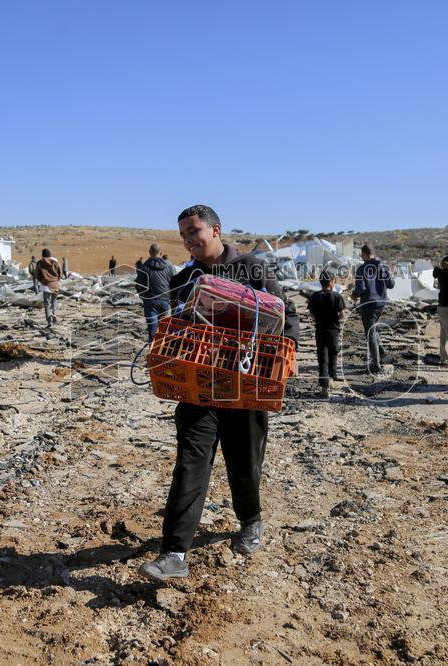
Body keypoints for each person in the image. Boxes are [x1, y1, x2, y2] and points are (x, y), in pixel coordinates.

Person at [138, 204, 300, 582]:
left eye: (193, 231)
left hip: (246, 384)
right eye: (182, 235)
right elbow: (177, 325)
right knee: (190, 462)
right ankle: (175, 553)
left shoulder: (253, 268)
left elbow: (286, 313)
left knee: (244, 462)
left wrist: (290, 348)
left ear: (215, 230)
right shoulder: (184, 278)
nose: (188, 240)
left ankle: (250, 521)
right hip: (199, 387)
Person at [353, 244, 395, 374]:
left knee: (370, 332)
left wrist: (354, 295)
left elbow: (361, 288)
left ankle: (376, 364)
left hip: (368, 304)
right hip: (381, 303)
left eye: (361, 255)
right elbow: (391, 284)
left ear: (364, 254)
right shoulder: (383, 266)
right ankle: (381, 353)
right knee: (374, 328)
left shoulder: (361, 269)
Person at [307, 270, 345, 398]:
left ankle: (324, 385)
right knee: (333, 352)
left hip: (320, 330)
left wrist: (318, 318)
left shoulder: (315, 296)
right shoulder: (337, 296)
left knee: (322, 357)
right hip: (333, 330)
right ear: (331, 282)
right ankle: (333, 376)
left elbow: (311, 313)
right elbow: (341, 314)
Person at [135, 243, 175, 340]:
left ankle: (153, 353)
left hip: (150, 302)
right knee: (166, 330)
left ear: (149, 252)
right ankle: (165, 352)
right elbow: (175, 283)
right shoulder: (169, 266)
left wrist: (143, 297)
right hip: (165, 301)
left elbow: (138, 285)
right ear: (161, 253)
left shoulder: (144, 267)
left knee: (153, 331)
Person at [35, 248, 63, 326]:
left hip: (45, 285)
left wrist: (42, 281)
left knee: (47, 304)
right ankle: (54, 314)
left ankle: (49, 321)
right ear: (50, 255)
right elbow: (60, 272)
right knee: (54, 301)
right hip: (55, 284)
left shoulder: (39, 263)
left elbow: (37, 275)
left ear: (43, 255)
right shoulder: (55, 262)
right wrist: (57, 279)